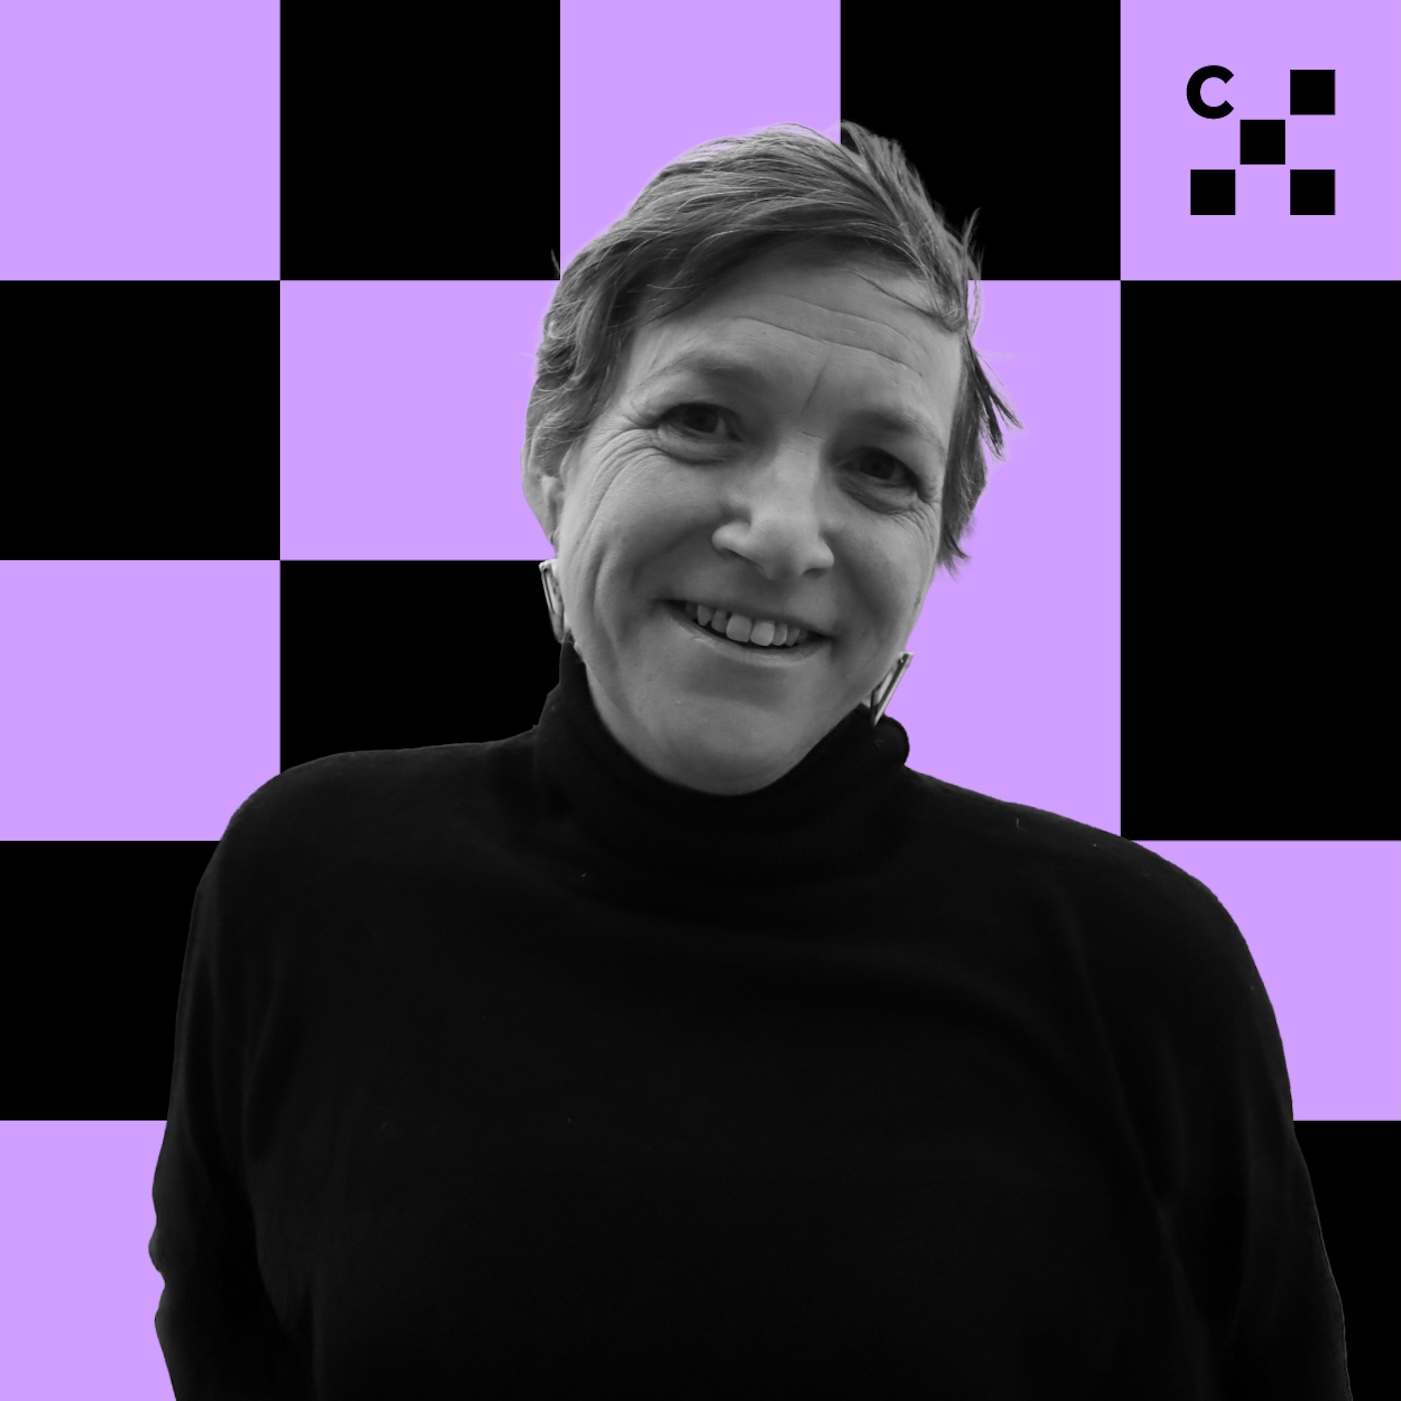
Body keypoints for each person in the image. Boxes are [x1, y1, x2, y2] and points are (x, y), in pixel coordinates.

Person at [149, 122, 1352, 1397]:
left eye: (881, 469)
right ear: (554, 459)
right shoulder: (311, 885)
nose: (782, 534)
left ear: (933, 551)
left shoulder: (1137, 974)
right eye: (702, 420)